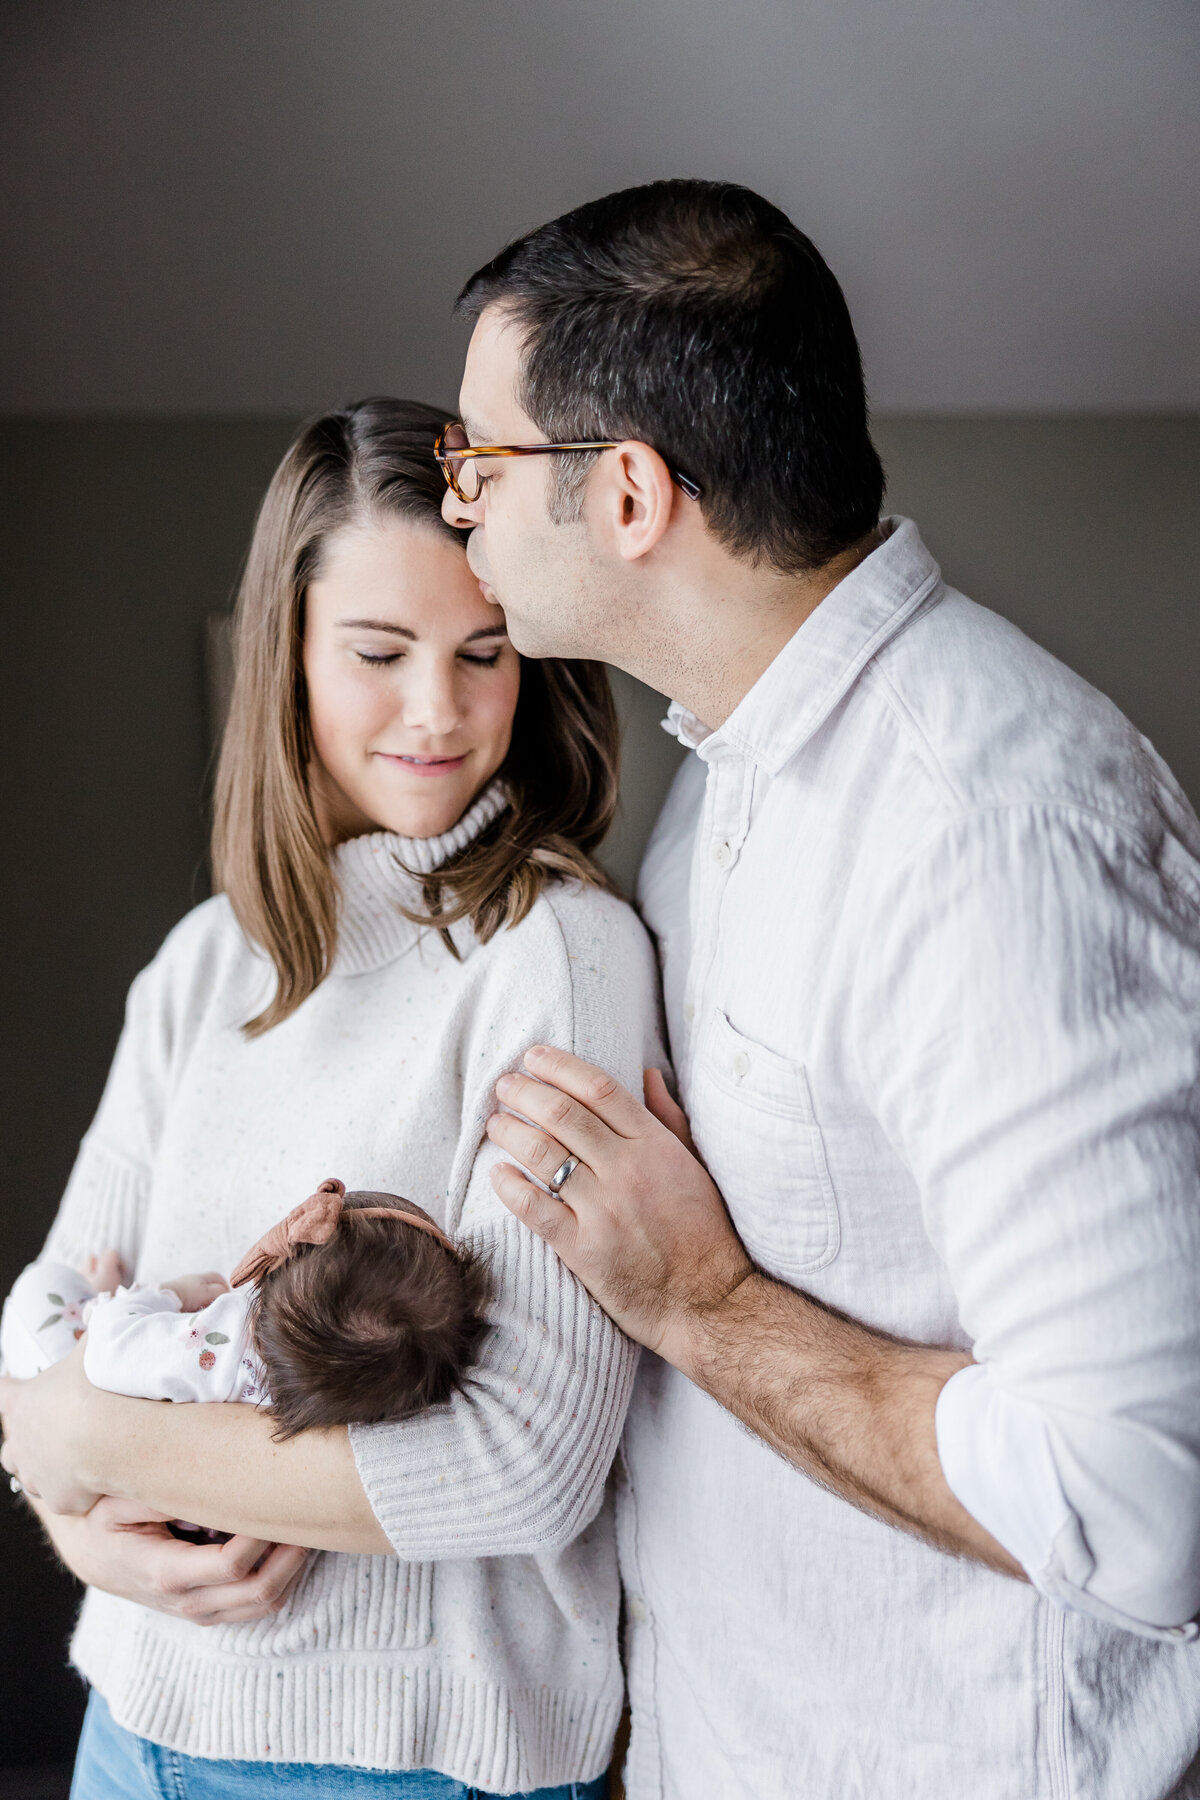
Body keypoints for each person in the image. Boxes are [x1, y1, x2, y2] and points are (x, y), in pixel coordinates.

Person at [427, 182, 1200, 1797]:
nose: (461, 511)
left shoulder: (991, 826)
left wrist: (699, 1303)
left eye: (480, 462)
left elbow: (1139, 1504)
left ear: (627, 491)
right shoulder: (734, 777)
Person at [0, 396, 662, 1799]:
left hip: (406, 1765)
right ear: (285, 653)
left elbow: (524, 1462)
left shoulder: (559, 957)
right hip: (131, 1723)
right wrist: (76, 1522)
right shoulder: (205, 961)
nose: (440, 708)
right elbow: (47, 1307)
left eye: (486, 653)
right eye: (379, 652)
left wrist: (81, 1441)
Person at [1, 1178, 490, 1433]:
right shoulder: (336, 1394)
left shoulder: (221, 1340)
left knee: (40, 1285)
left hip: (73, 1382)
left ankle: (94, 1291)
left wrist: (169, 1293)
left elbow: (107, 1350)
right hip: (193, 1517)